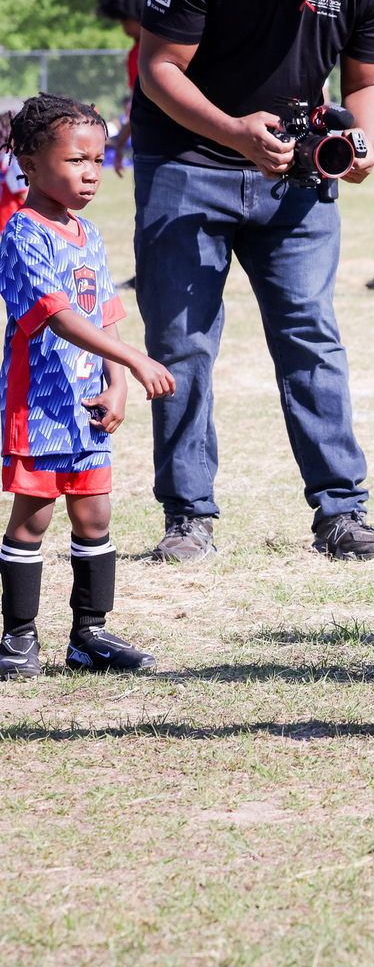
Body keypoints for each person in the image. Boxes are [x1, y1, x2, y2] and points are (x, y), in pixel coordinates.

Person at [131, 0, 374, 563]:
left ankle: (341, 512)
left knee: (311, 334)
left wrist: (363, 142)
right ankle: (188, 517)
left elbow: (368, 82)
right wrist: (233, 133)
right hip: (187, 162)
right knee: (182, 342)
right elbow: (158, 68)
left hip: (295, 175)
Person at [0, 96, 176, 679]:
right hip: (39, 406)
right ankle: (18, 639)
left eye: (98, 160)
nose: (92, 172)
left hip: (87, 407)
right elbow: (59, 317)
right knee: (32, 520)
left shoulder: (88, 233)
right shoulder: (22, 234)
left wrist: (116, 382)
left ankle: (89, 636)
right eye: (77, 160)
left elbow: (104, 312)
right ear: (29, 163)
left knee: (95, 517)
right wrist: (135, 359)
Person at [96, 0, 149, 175]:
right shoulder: (136, 51)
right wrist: (120, 144)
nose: (124, 29)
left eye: (126, 22)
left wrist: (120, 145)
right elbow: (137, 104)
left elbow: (139, 103)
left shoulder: (145, 51)